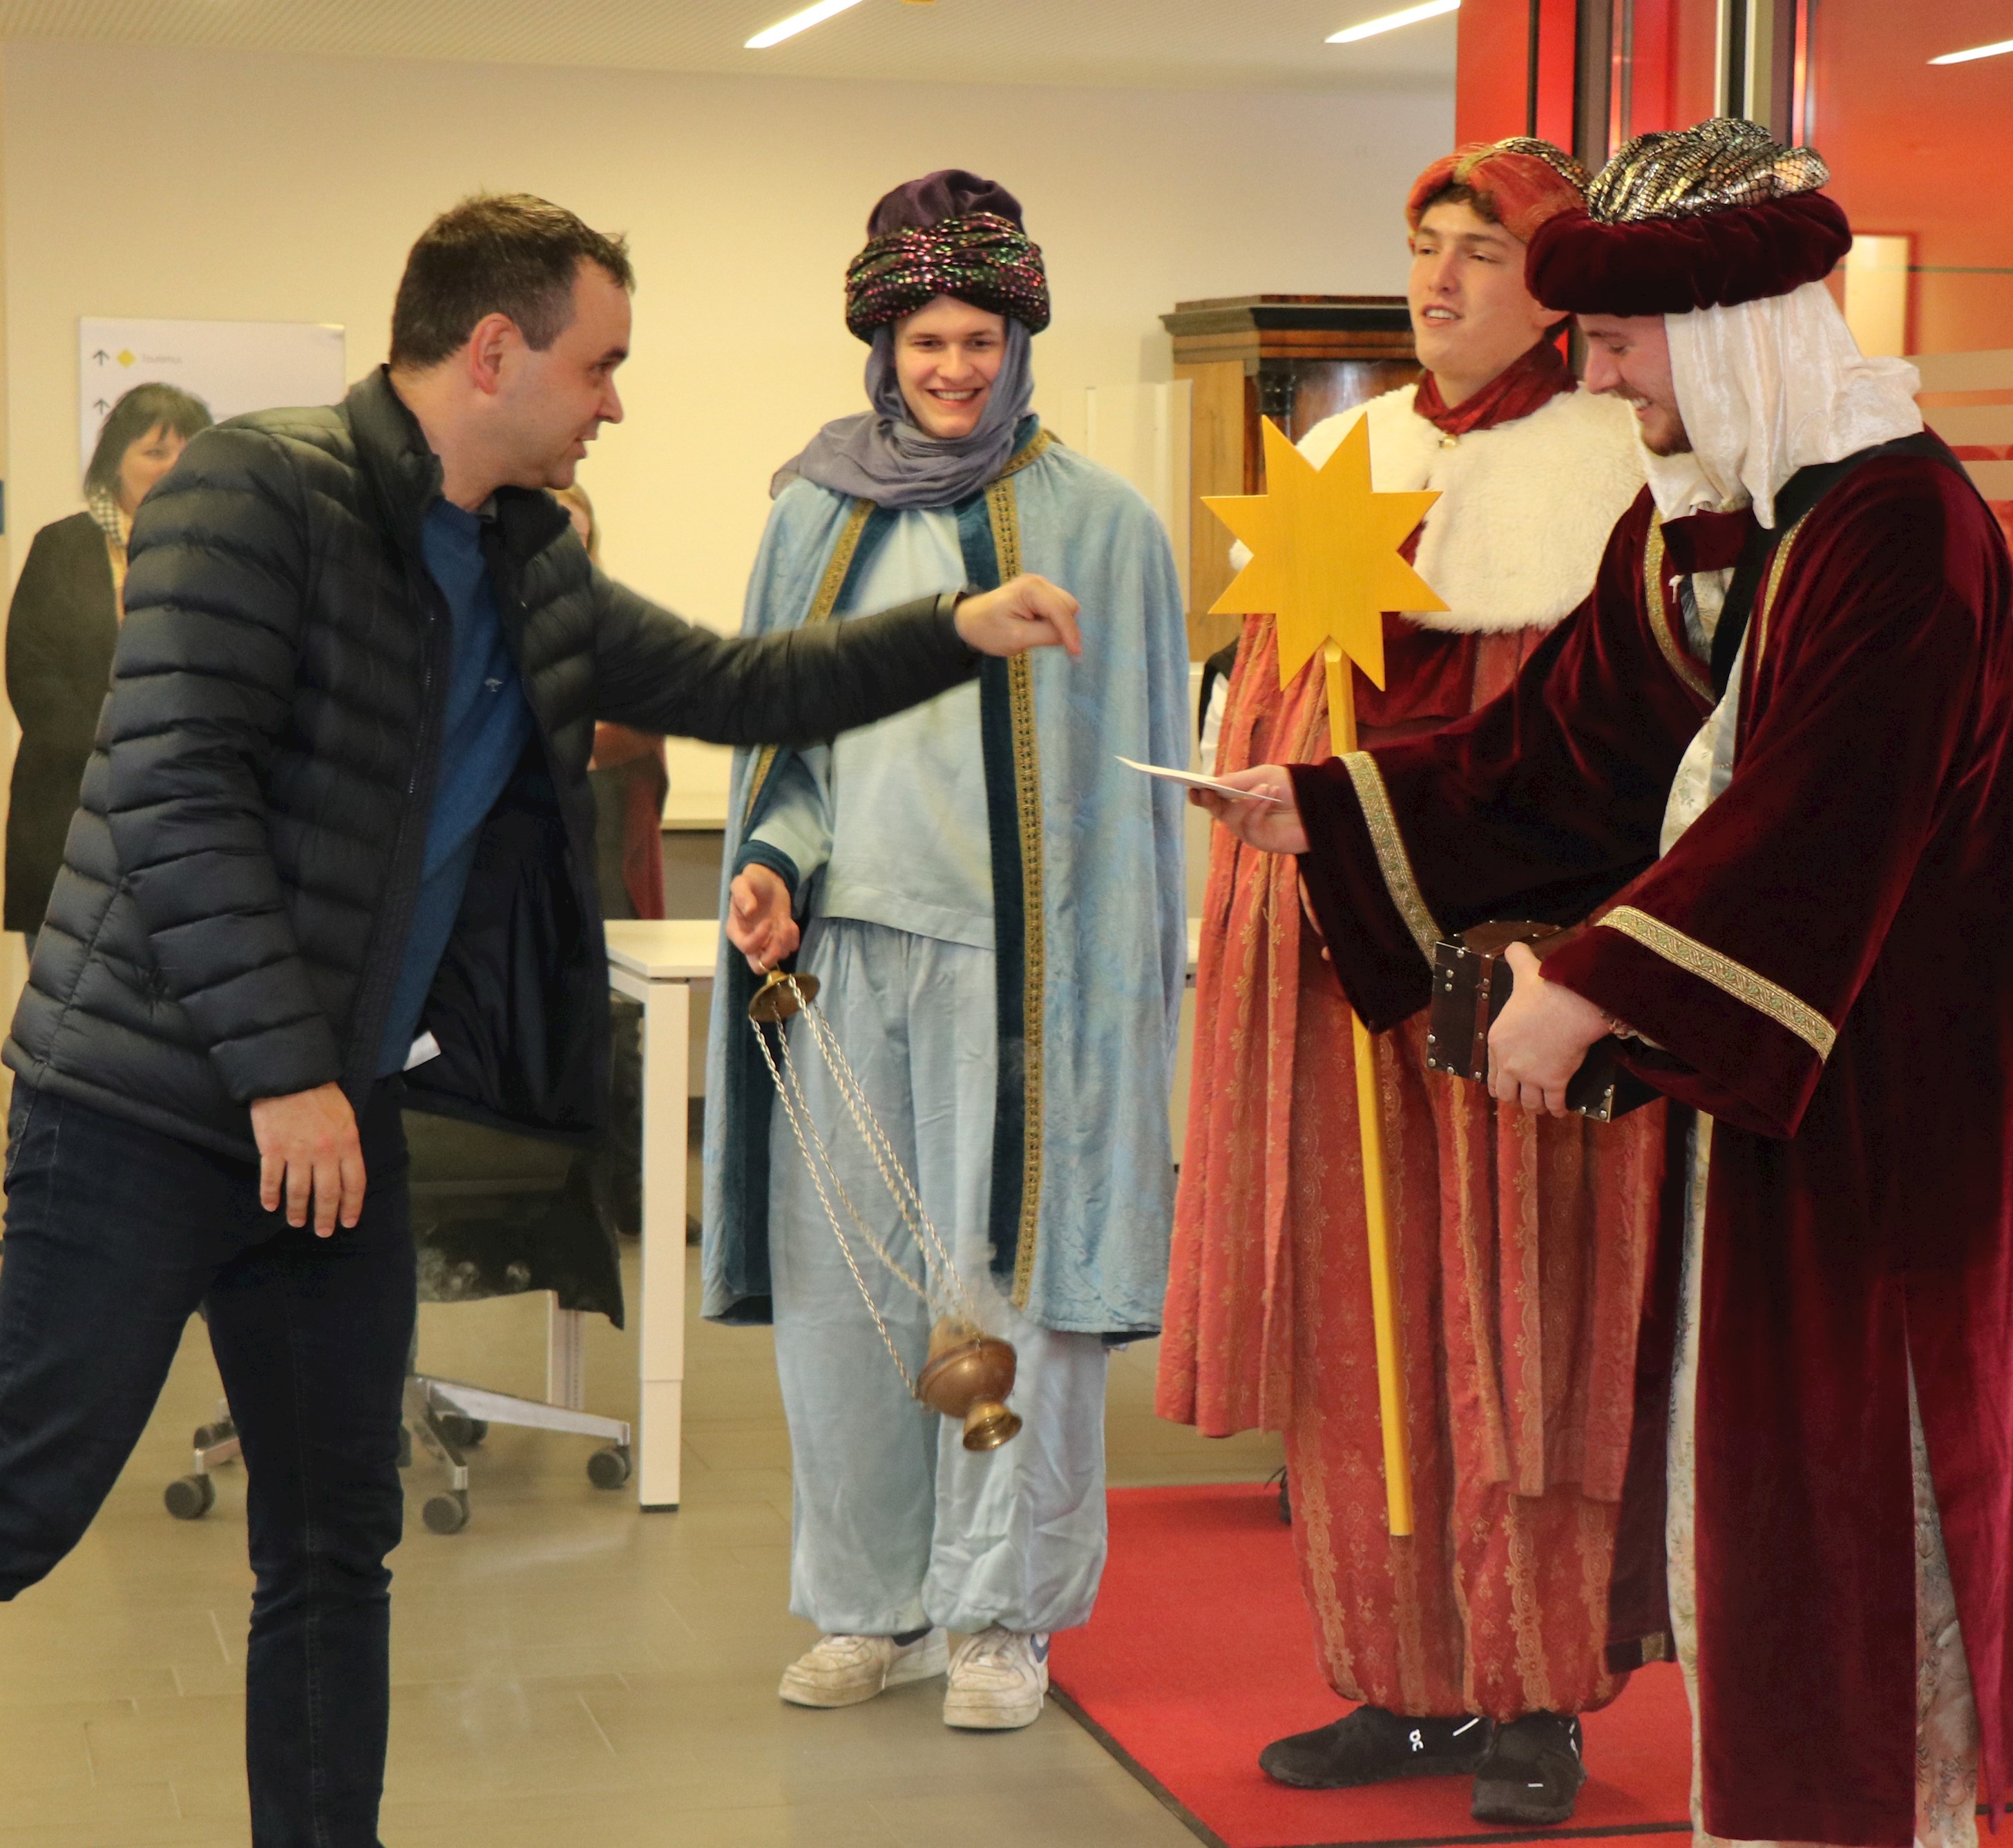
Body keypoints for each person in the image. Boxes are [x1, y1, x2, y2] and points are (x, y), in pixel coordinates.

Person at [0, 191, 1084, 1848]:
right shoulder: (255, 493)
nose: (615, 403)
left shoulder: (531, 564)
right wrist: (286, 1074)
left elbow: (737, 684)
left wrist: (953, 630)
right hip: (144, 1107)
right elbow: (173, 793)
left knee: (330, 1541)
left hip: (333, 1123)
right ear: (494, 349)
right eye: (602, 365)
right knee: (16, 1499)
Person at [1197, 120, 2013, 1848]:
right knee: (1773, 1529)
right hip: (1785, 1127)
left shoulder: (1900, 531)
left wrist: (1591, 985)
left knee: (1872, 1532)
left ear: (1728, 330)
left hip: (1895, 1148)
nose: (1601, 371)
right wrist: (1326, 807)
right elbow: (1565, 754)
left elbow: (1812, 829)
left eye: (1623, 341)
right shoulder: (1710, 526)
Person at [1156, 141, 1655, 1827]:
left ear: (1559, 288)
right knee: (1369, 1329)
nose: (1439, 282)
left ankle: (1528, 1698)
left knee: (1524, 1326)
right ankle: (1401, 1682)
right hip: (1333, 962)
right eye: (1425, 247)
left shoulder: (1616, 481)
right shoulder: (1345, 466)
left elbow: (1594, 766)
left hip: (1513, 966)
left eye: (1482, 254)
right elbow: (1285, 709)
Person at [699, 170, 1187, 1734]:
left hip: (1020, 984)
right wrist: (774, 866)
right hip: (851, 963)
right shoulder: (813, 513)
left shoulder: (1101, 528)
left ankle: (998, 1617)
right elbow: (793, 751)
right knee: (852, 1297)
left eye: (981, 337)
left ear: (1022, 339)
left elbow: (1128, 803)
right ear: (882, 343)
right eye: (928, 339)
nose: (956, 366)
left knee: (1003, 1291)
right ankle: (870, 1602)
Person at [1, 381, 213, 942]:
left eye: (187, 453)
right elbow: (31, 674)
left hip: (183, 810)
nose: (172, 467)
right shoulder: (62, 547)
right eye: (154, 451)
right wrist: (114, 753)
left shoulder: (221, 552)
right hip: (71, 802)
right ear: (114, 459)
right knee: (62, 997)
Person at [556, 482, 673, 922]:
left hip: (607, 806)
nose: (571, 550)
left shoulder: (608, 615)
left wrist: (585, 751)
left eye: (582, 539)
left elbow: (651, 711)